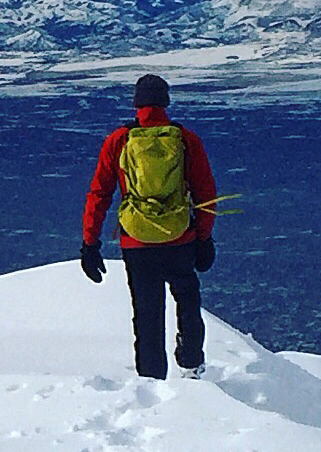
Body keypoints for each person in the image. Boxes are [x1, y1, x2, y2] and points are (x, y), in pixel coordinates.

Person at [80, 74, 218, 379]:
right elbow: (205, 192)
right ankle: (192, 364)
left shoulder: (118, 140)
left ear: (136, 103)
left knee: (146, 313)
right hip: (179, 237)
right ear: (166, 102)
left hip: (136, 242)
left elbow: (99, 194)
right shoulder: (184, 139)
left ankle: (152, 380)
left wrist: (90, 243)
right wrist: (204, 238)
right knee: (188, 299)